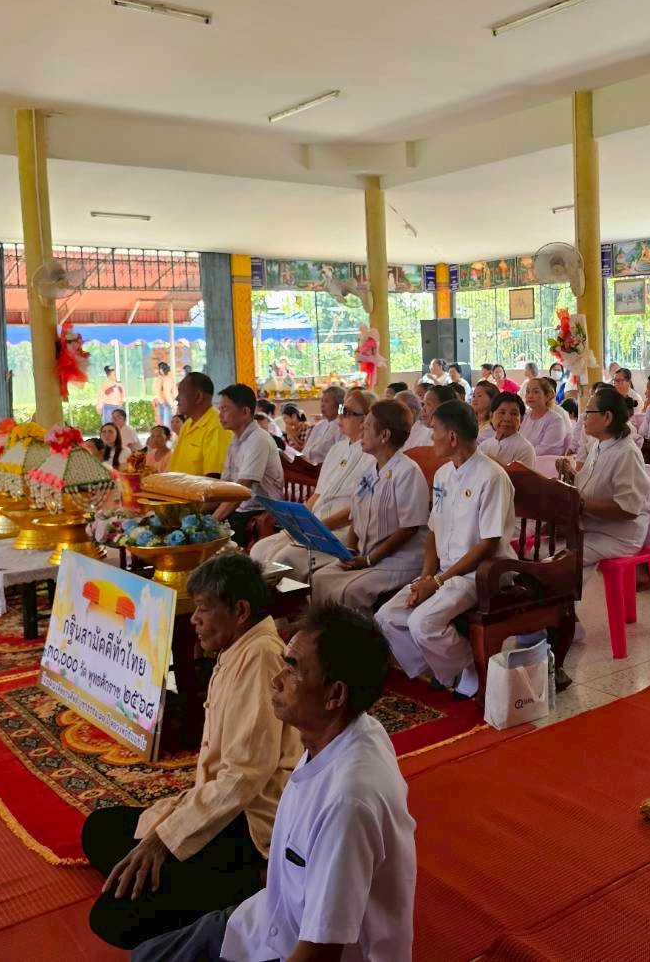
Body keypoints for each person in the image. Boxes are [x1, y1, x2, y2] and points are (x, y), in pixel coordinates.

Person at [130, 604, 415, 962]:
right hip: (266, 918)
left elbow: (320, 953)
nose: (276, 679)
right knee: (144, 954)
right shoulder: (347, 731)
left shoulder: (348, 802)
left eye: (292, 669)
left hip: (291, 947)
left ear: (335, 695)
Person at [81, 556, 299, 950]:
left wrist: (163, 841)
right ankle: (187, 881)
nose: (194, 620)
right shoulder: (240, 647)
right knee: (99, 829)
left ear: (240, 611)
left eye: (202, 609)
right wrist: (165, 832)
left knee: (111, 919)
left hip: (250, 824)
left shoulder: (261, 656)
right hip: (223, 804)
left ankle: (246, 887)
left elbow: (243, 778)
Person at [376, 400, 516, 697]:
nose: (431, 437)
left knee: (422, 623)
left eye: (434, 431)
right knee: (387, 617)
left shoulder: (491, 476)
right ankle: (443, 668)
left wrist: (438, 582)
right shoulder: (443, 475)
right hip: (444, 571)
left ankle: (468, 666)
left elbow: (488, 544)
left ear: (452, 437)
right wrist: (426, 578)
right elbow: (433, 530)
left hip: (481, 573)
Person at [315, 400, 431, 612]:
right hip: (366, 553)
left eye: (367, 426)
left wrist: (370, 559)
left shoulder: (408, 472)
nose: (361, 429)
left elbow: (409, 528)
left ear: (384, 435)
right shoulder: (368, 468)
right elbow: (355, 515)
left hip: (397, 558)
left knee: (348, 591)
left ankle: (357, 632)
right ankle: (322, 631)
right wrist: (350, 550)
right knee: (319, 577)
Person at [251, 389, 374, 582]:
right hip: (314, 524)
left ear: (366, 419)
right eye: (341, 410)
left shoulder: (373, 455)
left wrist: (320, 527)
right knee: (259, 550)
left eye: (347, 412)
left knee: (284, 559)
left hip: (342, 530)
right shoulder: (337, 449)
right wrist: (298, 522)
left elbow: (358, 508)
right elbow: (318, 494)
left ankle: (288, 599)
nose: (340, 416)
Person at [558, 386, 650, 578]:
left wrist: (579, 505)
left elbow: (628, 509)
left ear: (607, 417)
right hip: (594, 526)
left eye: (588, 412)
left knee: (555, 557)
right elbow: (590, 484)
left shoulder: (626, 453)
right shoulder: (598, 445)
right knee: (544, 547)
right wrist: (570, 474)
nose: (583, 418)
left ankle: (561, 598)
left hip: (618, 535)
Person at [212, 384, 286, 545]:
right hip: (241, 508)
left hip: (261, 512)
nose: (220, 415)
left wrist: (211, 522)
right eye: (219, 409)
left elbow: (243, 488)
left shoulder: (258, 439)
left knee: (211, 537)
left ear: (245, 412)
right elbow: (226, 486)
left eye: (225, 409)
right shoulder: (235, 440)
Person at [167, 372, 229, 478]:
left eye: (181, 393)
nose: (176, 398)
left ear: (198, 397)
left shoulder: (216, 427)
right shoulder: (187, 424)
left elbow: (214, 479)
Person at [479, 391, 537, 470]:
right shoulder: (484, 446)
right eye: (502, 413)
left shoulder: (525, 449)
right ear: (491, 416)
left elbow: (524, 477)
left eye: (514, 414)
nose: (507, 419)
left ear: (521, 419)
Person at [519, 377, 569, 456]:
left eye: (536, 392)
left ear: (547, 396)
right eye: (528, 391)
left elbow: (546, 450)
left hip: (542, 462)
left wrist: (519, 456)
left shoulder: (555, 420)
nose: (530, 395)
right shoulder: (525, 416)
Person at [299, 387, 345, 470]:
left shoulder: (341, 428)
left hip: (322, 470)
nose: (322, 405)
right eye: (322, 401)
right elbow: (306, 450)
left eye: (326, 401)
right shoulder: (318, 426)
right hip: (304, 467)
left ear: (338, 405)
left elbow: (339, 458)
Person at [471, 379, 499, 445]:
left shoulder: (493, 427)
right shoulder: (471, 422)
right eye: (474, 396)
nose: (474, 399)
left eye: (479, 396)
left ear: (491, 399)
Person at [151, 361, 175, 426]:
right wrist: (166, 402)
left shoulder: (163, 378)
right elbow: (163, 392)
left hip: (164, 401)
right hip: (166, 402)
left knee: (164, 421)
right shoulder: (165, 378)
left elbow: (159, 391)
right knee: (166, 422)